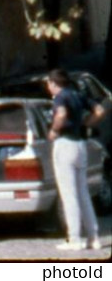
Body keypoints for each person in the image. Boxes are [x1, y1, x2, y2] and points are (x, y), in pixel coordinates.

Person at [46, 69, 107, 251]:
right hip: (81, 144)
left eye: (49, 84)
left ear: (53, 83)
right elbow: (99, 109)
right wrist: (86, 124)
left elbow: (61, 114)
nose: (48, 88)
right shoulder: (78, 95)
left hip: (65, 144)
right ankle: (93, 237)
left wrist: (54, 130)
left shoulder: (60, 98)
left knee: (68, 194)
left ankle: (74, 238)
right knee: (83, 193)